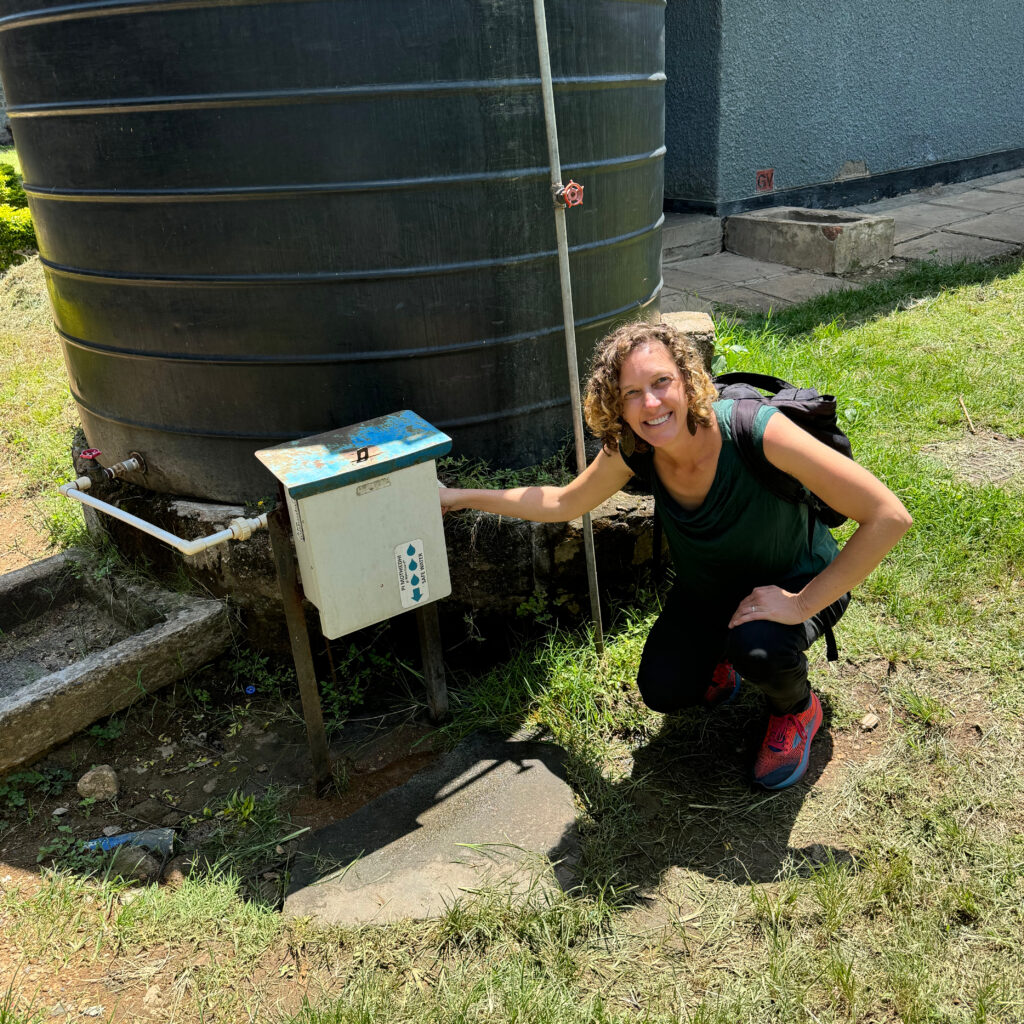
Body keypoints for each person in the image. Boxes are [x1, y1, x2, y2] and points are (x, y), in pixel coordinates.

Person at [439, 320, 912, 789]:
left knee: (761, 649)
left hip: (798, 582)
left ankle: (797, 710)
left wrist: (801, 604)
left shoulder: (756, 432)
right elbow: (564, 502)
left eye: (661, 381)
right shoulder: (636, 449)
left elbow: (889, 515)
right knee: (662, 688)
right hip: (710, 595)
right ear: (616, 406)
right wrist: (458, 496)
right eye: (630, 393)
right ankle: (726, 658)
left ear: (687, 380)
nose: (650, 403)